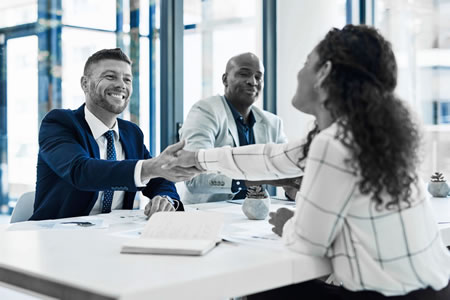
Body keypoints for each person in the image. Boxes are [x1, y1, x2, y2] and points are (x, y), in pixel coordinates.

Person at [167, 25, 450, 299]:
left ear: (324, 73)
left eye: (306, 63)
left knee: (261, 283)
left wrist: (292, 225)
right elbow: (271, 157)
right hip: (432, 290)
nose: (299, 71)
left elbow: (307, 243)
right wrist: (199, 158)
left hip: (392, 296)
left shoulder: (336, 142)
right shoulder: (362, 133)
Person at [32, 48, 199, 221]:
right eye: (110, 76)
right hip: (58, 236)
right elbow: (81, 171)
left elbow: (158, 180)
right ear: (85, 84)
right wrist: (149, 167)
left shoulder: (132, 133)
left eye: (127, 79)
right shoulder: (59, 123)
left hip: (115, 233)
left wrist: (166, 199)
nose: (121, 85)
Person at [179, 52, 299, 204]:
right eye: (244, 74)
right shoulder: (205, 111)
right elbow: (194, 178)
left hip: (255, 215)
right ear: (225, 79)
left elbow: (287, 172)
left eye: (258, 76)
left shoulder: (273, 123)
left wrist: (295, 188)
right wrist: (253, 179)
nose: (252, 81)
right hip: (208, 213)